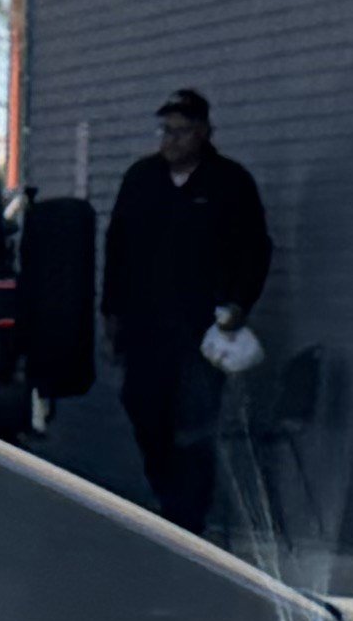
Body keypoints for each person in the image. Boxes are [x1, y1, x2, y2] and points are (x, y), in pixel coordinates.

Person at [100, 88, 274, 531]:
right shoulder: (142, 179)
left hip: (201, 327)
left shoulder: (229, 183)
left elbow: (255, 249)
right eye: (165, 131)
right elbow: (117, 246)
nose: (171, 140)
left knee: (195, 421)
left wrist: (239, 303)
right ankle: (167, 494)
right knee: (144, 408)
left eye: (180, 131)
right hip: (145, 325)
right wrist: (111, 310)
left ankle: (189, 518)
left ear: (203, 133)